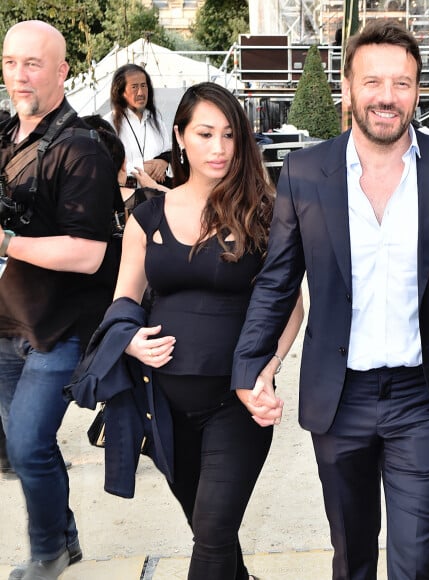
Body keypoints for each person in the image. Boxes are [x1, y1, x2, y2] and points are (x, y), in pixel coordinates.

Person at [232, 20, 429, 579]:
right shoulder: (306, 172)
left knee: (415, 565)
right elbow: (278, 280)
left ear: (417, 90)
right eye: (373, 82)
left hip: (423, 398)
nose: (387, 97)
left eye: (403, 83)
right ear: (347, 87)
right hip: (340, 400)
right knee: (352, 559)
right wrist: (250, 366)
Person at [109, 81, 303, 579]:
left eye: (229, 135)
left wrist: (268, 369)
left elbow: (291, 305)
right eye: (205, 133)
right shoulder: (146, 217)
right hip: (164, 409)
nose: (218, 148)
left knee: (213, 534)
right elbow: (124, 301)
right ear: (180, 137)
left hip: (236, 401)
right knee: (209, 530)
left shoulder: (263, 212)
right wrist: (129, 339)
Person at [0, 20, 118, 580]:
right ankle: (64, 540)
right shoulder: (5, 136)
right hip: (7, 322)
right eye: (10, 62)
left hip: (60, 327)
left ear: (63, 71)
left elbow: (88, 254)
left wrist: (6, 242)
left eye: (33, 64)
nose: (19, 76)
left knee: (26, 445)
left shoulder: (82, 147)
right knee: (31, 449)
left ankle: (47, 553)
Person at [104, 64, 172, 188]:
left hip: (159, 195)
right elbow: (105, 163)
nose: (140, 92)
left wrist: (163, 163)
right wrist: (140, 168)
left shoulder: (156, 120)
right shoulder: (109, 122)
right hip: (128, 198)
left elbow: (167, 150)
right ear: (121, 92)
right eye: (134, 87)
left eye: (143, 86)